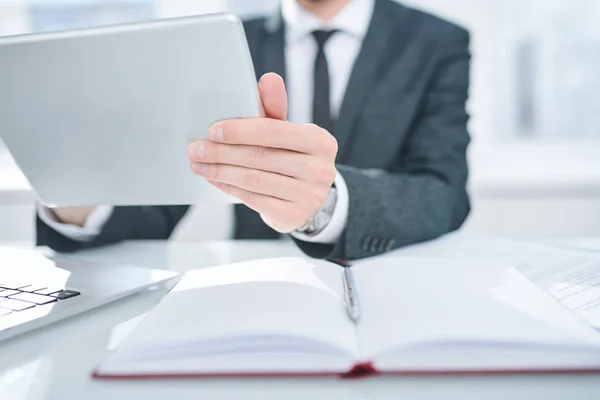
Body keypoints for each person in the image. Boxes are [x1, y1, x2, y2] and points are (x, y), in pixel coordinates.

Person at [36, 0, 471, 261]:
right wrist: (78, 197)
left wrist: (329, 204)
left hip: (389, 279)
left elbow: (443, 191)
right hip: (257, 290)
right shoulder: (226, 40)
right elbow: (168, 197)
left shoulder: (437, 42)